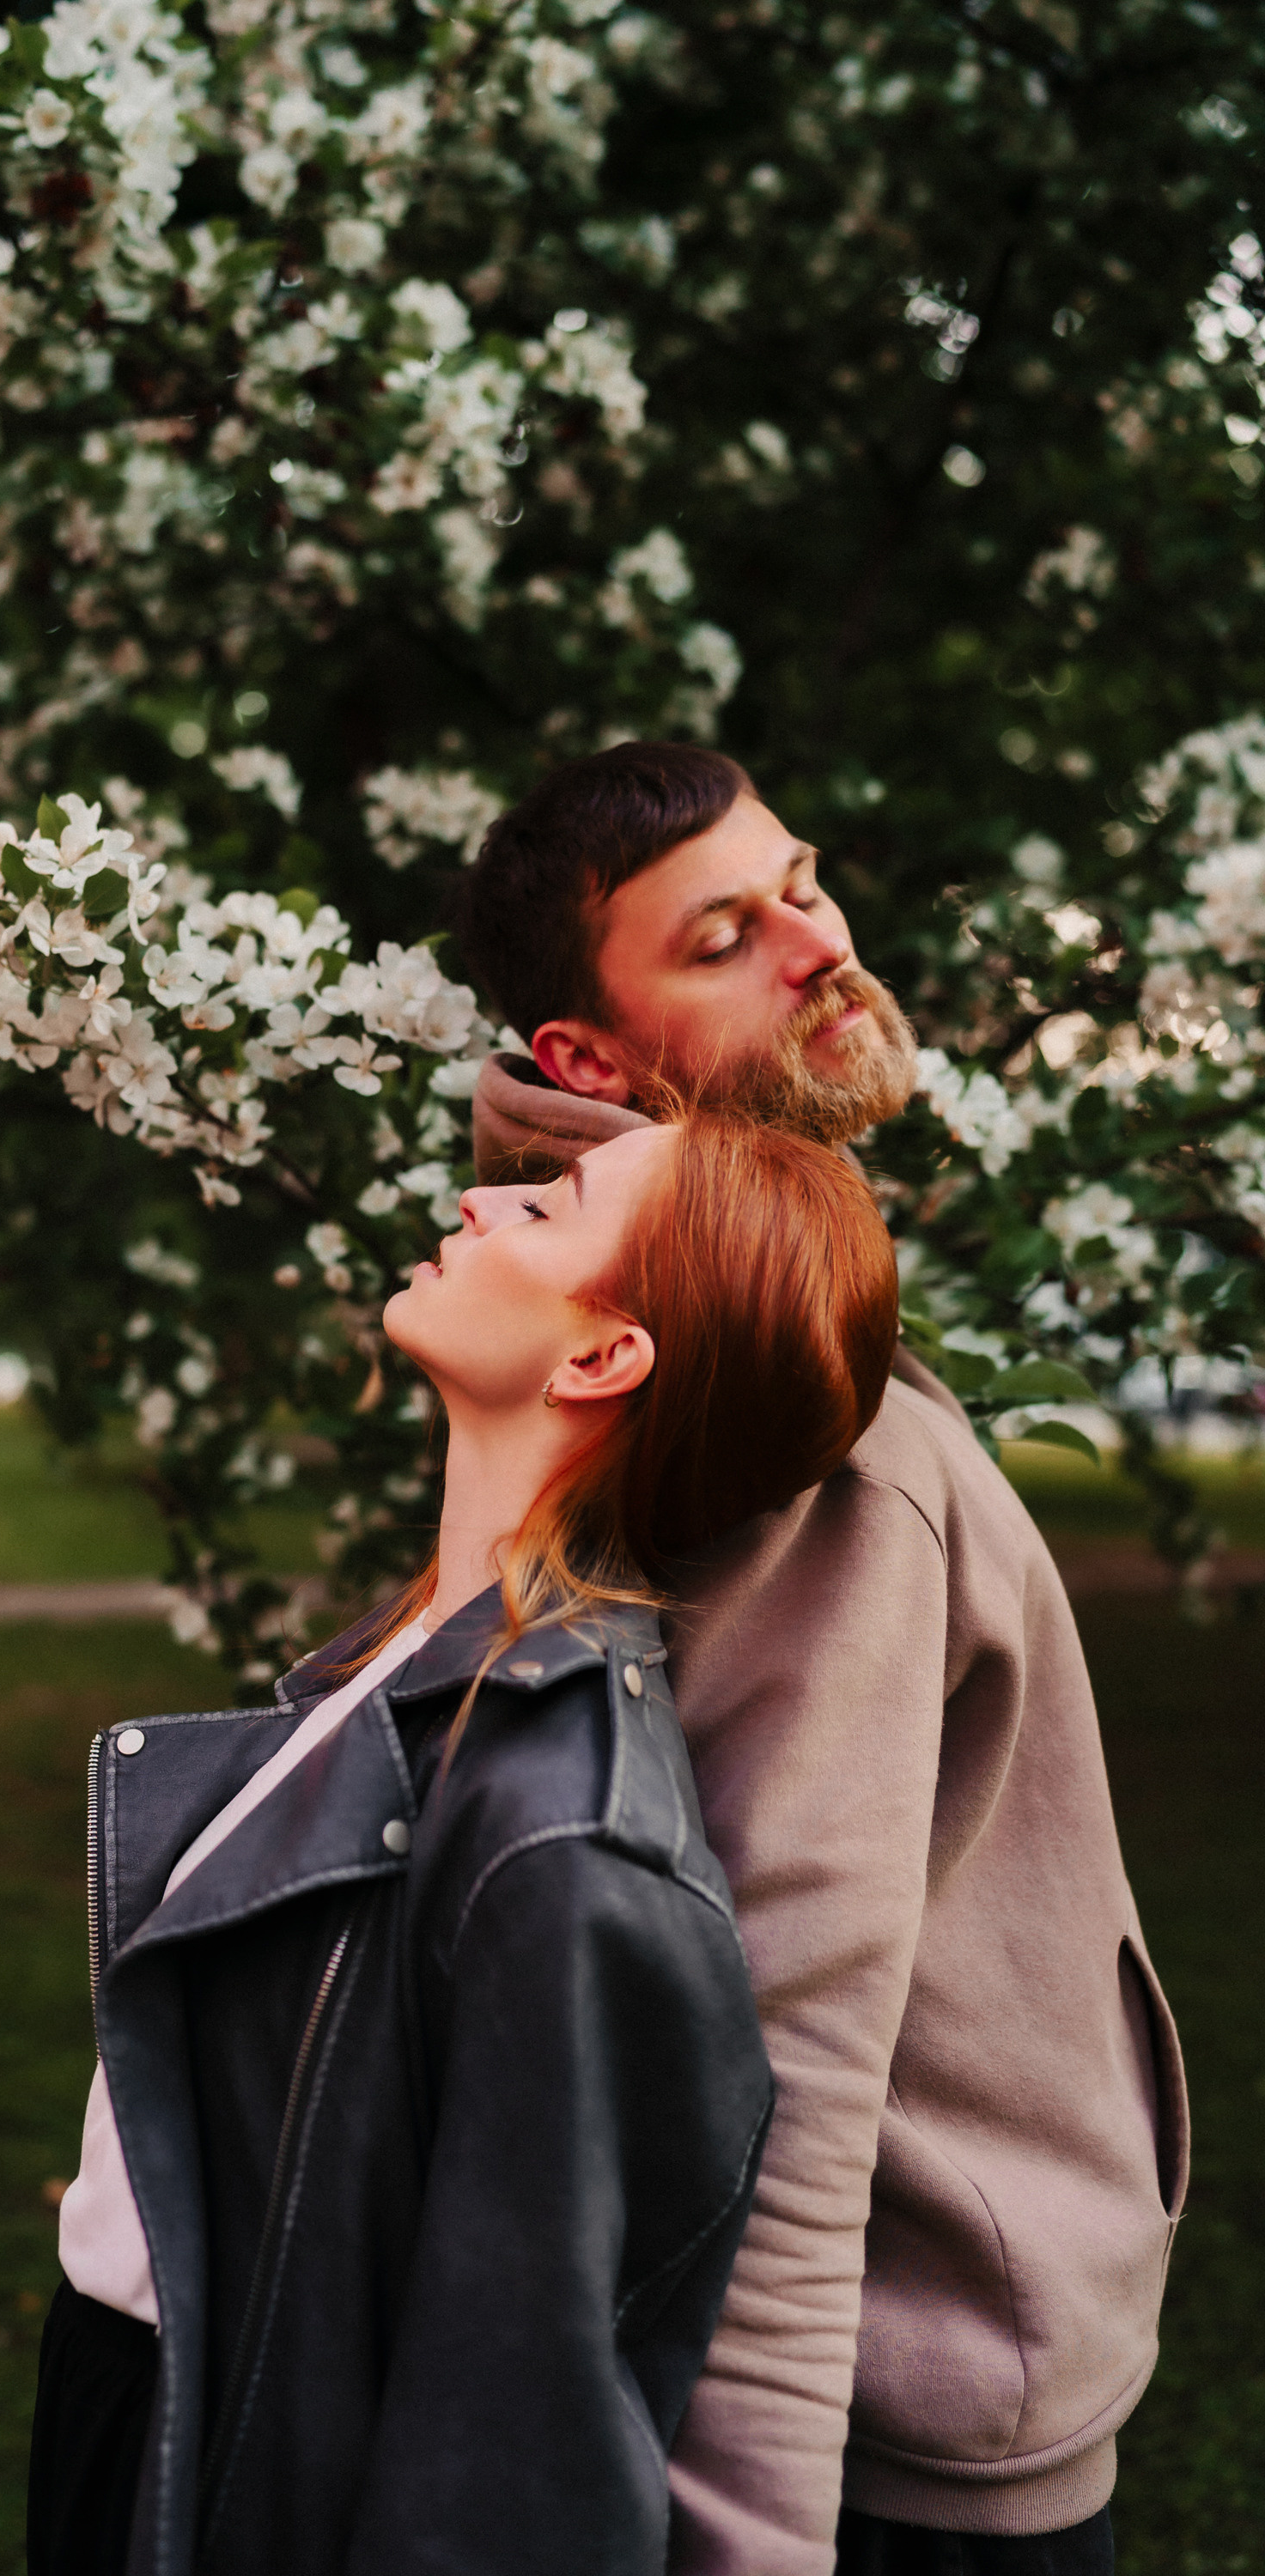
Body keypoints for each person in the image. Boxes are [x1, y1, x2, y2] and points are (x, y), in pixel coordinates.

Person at [459, 740, 1189, 2576]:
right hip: (901, 2427)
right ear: (585, 1065)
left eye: (800, 882)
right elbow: (775, 2028)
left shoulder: (637, 1303)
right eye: (721, 935)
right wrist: (747, 2542)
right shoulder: (773, 1412)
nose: (813, 942)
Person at [29, 1108, 904, 2576]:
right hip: (139, 2397)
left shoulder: (562, 1819)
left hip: (230, 2475)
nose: (484, 1198)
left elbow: (515, 2439)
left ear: (600, 1356)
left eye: (552, 1206)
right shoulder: (418, 1658)